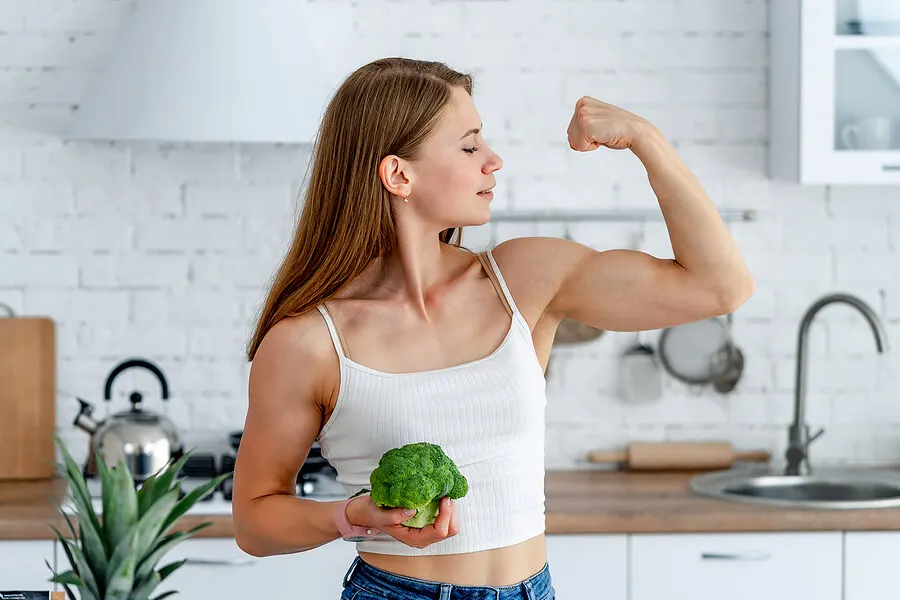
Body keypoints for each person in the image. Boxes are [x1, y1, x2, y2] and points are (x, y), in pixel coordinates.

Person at [231, 57, 754, 599]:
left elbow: (719, 287)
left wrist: (647, 140)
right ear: (399, 175)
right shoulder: (308, 342)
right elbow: (253, 519)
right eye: (469, 145)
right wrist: (351, 516)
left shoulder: (524, 279)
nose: (493, 161)